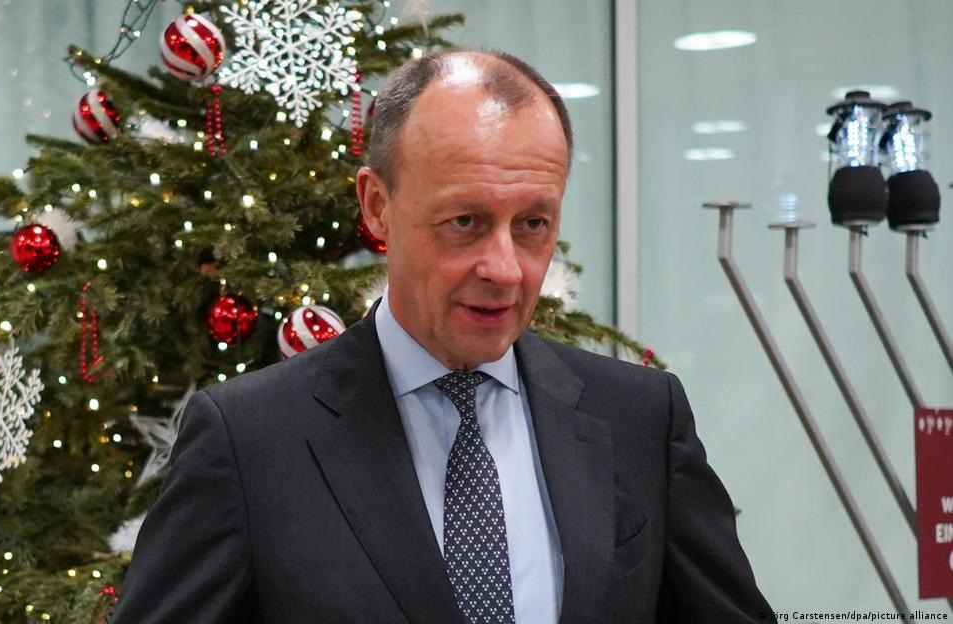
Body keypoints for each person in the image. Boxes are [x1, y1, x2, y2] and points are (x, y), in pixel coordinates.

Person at [112, 49, 776, 624]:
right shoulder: (249, 441)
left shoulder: (640, 419)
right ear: (377, 206)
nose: (505, 269)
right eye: (464, 222)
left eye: (533, 225)